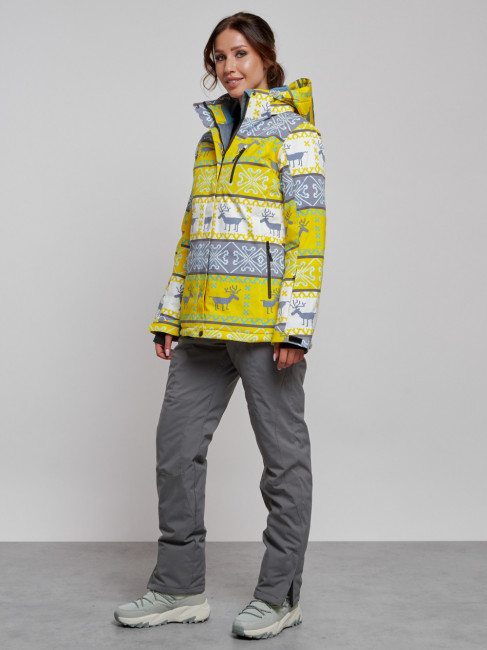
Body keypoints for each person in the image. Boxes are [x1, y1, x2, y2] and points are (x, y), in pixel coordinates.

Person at [114, 11, 326, 640]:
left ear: (265, 58)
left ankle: (280, 596)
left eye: (239, 54)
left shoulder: (296, 135)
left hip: (264, 330)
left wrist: (295, 327)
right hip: (202, 324)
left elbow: (309, 237)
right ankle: (179, 587)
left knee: (282, 464)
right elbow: (191, 233)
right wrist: (170, 312)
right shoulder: (209, 139)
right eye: (218, 57)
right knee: (175, 452)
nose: (228, 67)